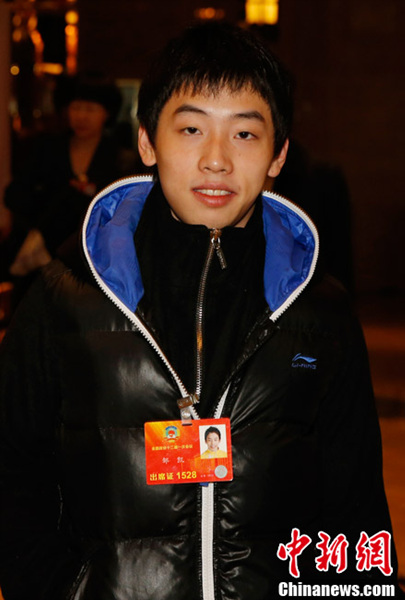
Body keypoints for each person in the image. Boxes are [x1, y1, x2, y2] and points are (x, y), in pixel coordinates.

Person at [0, 22, 401, 600]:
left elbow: (356, 508)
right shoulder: (66, 300)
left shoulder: (320, 312)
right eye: (191, 129)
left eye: (245, 134)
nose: (216, 160)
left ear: (279, 154)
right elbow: (15, 473)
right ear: (147, 142)